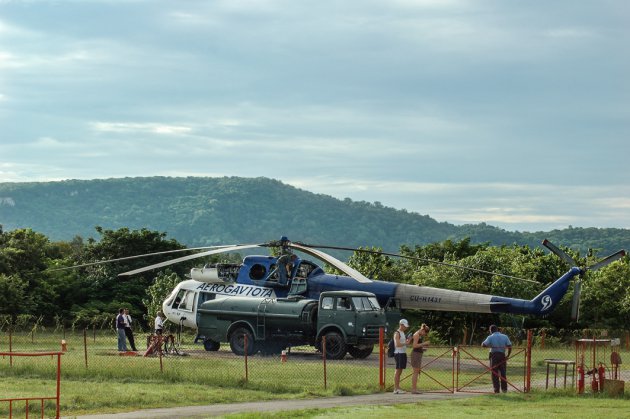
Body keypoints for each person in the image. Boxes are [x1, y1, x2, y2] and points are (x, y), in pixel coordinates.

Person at [482, 324, 512, 393]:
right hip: (502, 355)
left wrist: (490, 345)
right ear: (497, 329)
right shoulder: (505, 336)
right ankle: (504, 389)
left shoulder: (490, 337)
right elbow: (509, 346)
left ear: (490, 330)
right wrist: (508, 355)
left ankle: (496, 390)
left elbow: (483, 345)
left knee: (494, 373)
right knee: (503, 373)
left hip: (494, 356)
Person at [410, 323, 430, 394]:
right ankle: (414, 389)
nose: (425, 335)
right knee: (415, 372)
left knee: (417, 372)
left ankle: (415, 389)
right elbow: (414, 345)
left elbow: (418, 346)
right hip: (415, 355)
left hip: (418, 354)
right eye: (425, 333)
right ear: (422, 330)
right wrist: (424, 343)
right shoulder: (416, 335)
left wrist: (423, 349)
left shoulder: (420, 335)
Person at [393, 318, 411, 394]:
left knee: (400, 371)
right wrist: (406, 343)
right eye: (405, 326)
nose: (406, 327)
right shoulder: (397, 333)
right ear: (401, 325)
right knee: (398, 371)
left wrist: (407, 341)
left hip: (403, 353)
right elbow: (397, 344)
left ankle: (398, 387)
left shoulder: (402, 332)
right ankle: (396, 389)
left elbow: (402, 342)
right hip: (398, 353)